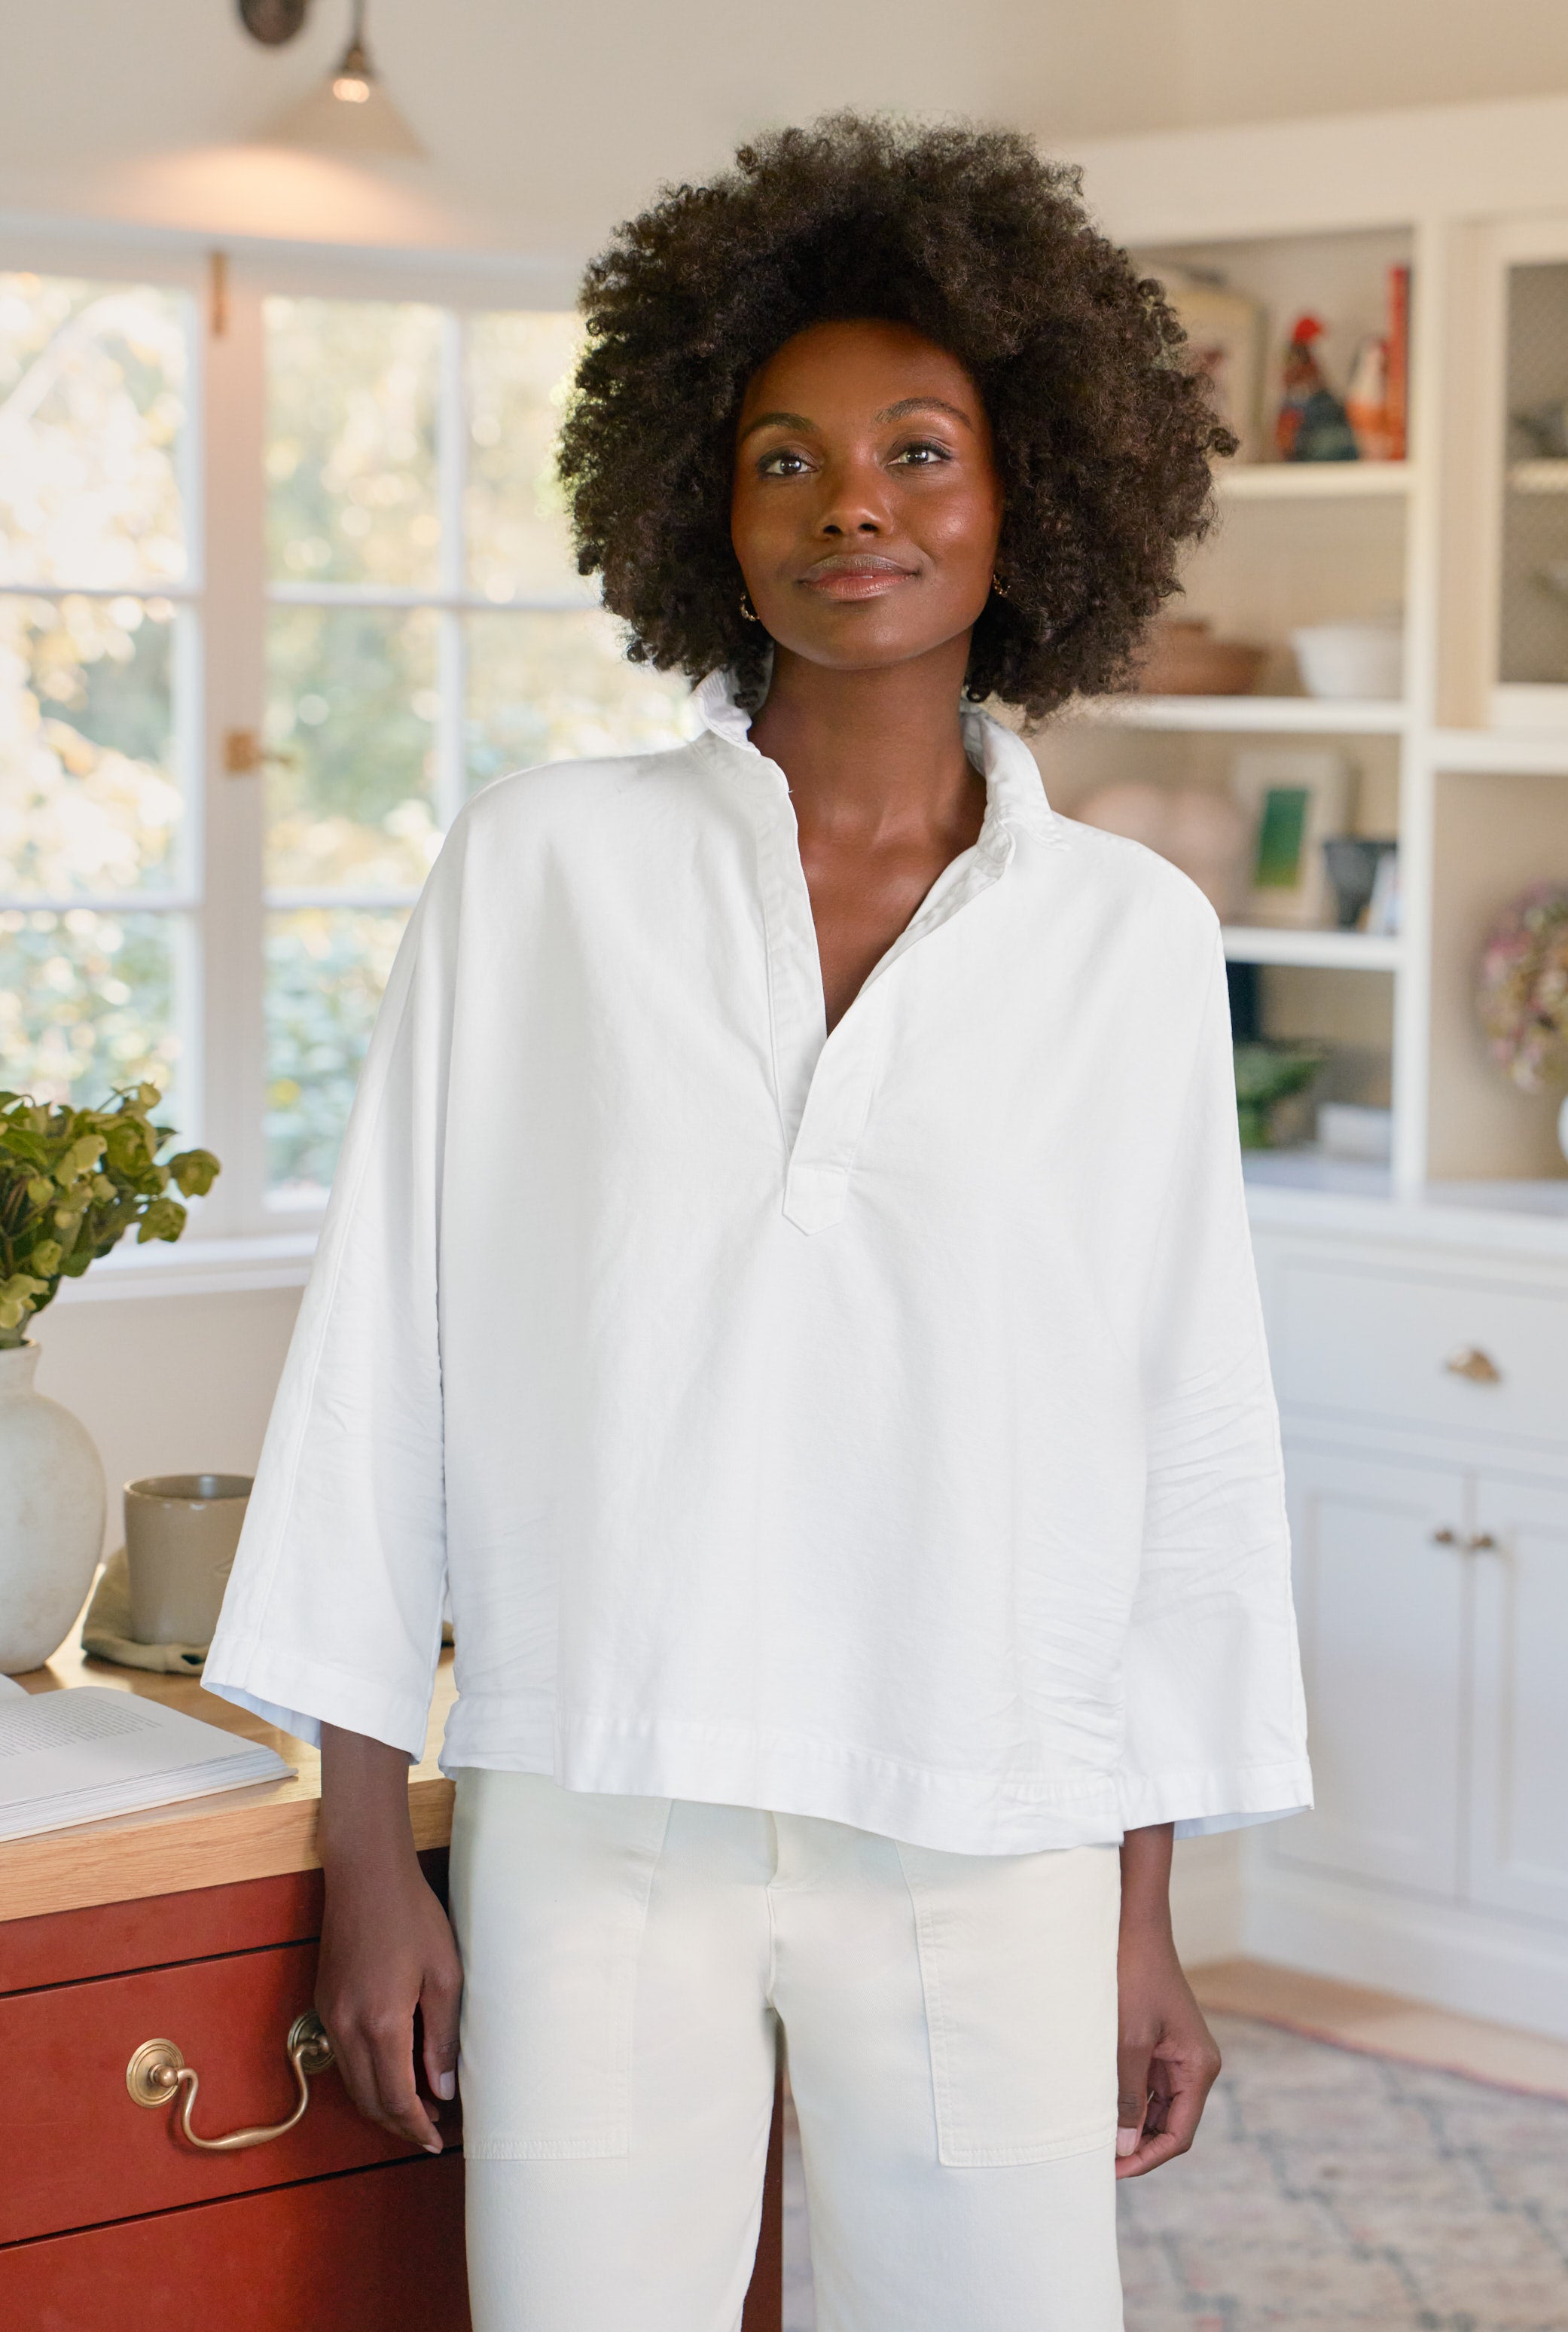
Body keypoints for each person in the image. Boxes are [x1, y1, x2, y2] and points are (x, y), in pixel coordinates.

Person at [206, 114, 1310, 2332]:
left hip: (985, 1821)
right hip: (598, 1805)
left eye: (917, 448)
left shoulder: (1125, 942)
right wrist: (367, 1864)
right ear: (702, 510)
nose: (853, 509)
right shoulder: (540, 875)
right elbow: (381, 1366)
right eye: (784, 462)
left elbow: (1178, 1429)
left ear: (1029, 494)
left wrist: (1136, 1906)